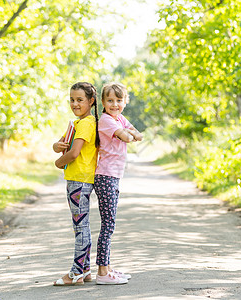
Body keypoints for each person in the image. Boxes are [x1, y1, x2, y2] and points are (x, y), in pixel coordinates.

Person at [94, 82, 143, 285]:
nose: (115, 104)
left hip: (114, 177)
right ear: (103, 103)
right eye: (110, 101)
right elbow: (127, 136)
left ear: (125, 102)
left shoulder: (118, 118)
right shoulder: (106, 121)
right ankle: (102, 273)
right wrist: (128, 133)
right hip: (105, 176)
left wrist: (129, 133)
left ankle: (107, 267)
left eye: (119, 100)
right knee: (108, 224)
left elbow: (137, 135)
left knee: (110, 223)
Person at [52, 82, 100, 286]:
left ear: (91, 101)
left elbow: (73, 153)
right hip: (77, 180)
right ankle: (86, 270)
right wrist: (56, 146)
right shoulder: (77, 123)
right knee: (81, 226)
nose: (74, 103)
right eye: (72, 99)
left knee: (81, 227)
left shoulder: (87, 123)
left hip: (79, 180)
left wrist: (58, 163)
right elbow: (63, 145)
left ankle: (76, 273)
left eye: (80, 100)